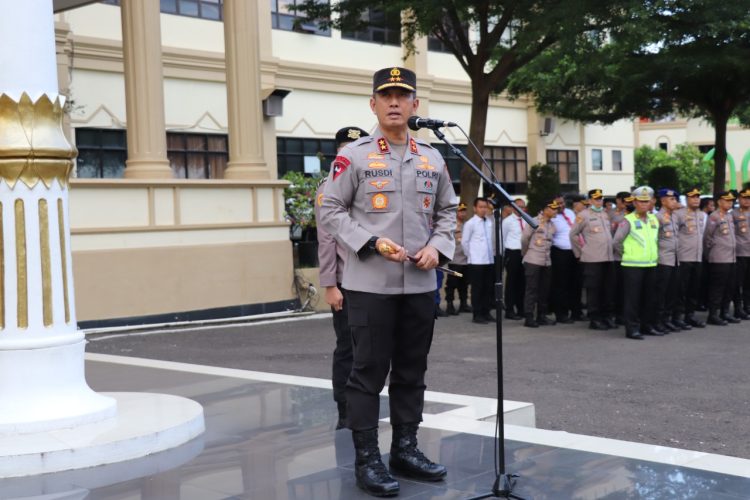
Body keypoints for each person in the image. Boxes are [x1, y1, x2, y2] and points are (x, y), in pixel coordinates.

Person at [319, 66, 455, 496]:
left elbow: (449, 211)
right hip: (369, 286)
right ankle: (367, 458)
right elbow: (330, 211)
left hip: (419, 284)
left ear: (416, 104)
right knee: (367, 372)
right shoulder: (354, 156)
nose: (394, 102)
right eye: (386, 95)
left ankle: (405, 448)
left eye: (403, 95)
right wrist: (371, 242)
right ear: (373, 104)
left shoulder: (433, 157)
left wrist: (438, 246)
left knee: (412, 370)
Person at [314, 126, 369, 430]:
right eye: (346, 148)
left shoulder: (367, 183)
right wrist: (330, 285)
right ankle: (345, 411)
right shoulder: (328, 188)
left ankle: (362, 406)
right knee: (347, 348)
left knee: (369, 348)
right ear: (338, 153)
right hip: (345, 283)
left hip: (370, 280)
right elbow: (326, 240)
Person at [613, 186, 660, 340]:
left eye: (647, 201)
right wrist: (628, 254)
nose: (644, 204)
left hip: (651, 264)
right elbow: (617, 242)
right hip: (632, 266)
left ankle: (647, 326)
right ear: (634, 202)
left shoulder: (654, 219)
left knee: (650, 298)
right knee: (632, 300)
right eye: (640, 201)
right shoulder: (628, 220)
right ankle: (632, 329)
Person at [570, 188, 615, 330]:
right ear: (589, 201)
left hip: (608, 257)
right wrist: (580, 252)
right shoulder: (583, 215)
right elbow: (573, 235)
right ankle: (594, 318)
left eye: (600, 198)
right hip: (592, 258)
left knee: (607, 289)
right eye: (596, 199)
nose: (599, 201)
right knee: (594, 290)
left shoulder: (605, 214)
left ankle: (606, 316)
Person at [521, 199, 559, 327]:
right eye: (553, 209)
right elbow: (525, 239)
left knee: (544, 290)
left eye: (556, 208)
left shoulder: (552, 225)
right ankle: (529, 317)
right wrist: (526, 254)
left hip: (547, 261)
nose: (555, 211)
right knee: (531, 290)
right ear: (545, 209)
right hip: (533, 260)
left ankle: (541, 316)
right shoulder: (534, 221)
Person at [703, 191, 738, 326]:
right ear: (719, 202)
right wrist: (710, 254)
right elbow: (708, 238)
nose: (730, 203)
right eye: (727, 201)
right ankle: (713, 314)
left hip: (731, 257)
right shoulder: (714, 216)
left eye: (731, 201)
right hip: (719, 257)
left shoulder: (729, 216)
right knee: (717, 287)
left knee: (729, 286)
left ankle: (725, 312)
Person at [674, 187, 706, 328]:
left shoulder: (701, 215)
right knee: (681, 289)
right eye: (693, 197)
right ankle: (677, 317)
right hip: (684, 257)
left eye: (698, 197)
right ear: (686, 199)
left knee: (694, 289)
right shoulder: (679, 214)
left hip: (697, 257)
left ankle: (690, 316)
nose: (696, 199)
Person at [462, 197, 496, 324]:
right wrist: (471, 256)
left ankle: (486, 312)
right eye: (480, 207)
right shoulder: (470, 223)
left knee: (488, 288)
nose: (483, 209)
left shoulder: (489, 222)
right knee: (477, 289)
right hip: (476, 261)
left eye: (485, 207)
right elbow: (465, 242)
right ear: (475, 208)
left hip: (489, 260)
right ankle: (477, 314)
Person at [653, 188, 683, 332]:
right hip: (663, 259)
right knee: (661, 292)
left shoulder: (675, 217)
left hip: (675, 259)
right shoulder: (657, 217)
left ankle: (667, 319)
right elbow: (653, 239)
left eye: (675, 199)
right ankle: (657, 321)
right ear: (663, 201)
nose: (675, 202)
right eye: (671, 199)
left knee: (672, 291)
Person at [549, 194, 579, 323]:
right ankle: (561, 313)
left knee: (575, 283)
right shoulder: (552, 216)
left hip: (574, 252)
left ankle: (576, 312)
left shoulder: (570, 213)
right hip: (559, 253)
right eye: (558, 203)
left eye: (562, 203)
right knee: (561, 284)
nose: (561, 206)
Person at [501, 198, 527, 320]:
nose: (521, 209)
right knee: (511, 283)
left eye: (523, 206)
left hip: (524, 253)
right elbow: (503, 237)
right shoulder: (507, 221)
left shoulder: (526, 219)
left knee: (522, 283)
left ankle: (521, 308)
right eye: (518, 206)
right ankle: (509, 309)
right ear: (513, 207)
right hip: (512, 252)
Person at [610, 191, 632, 324]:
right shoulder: (616, 216)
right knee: (619, 288)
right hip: (620, 257)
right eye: (625, 201)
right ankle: (619, 315)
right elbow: (614, 238)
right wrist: (622, 253)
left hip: (633, 258)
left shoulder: (633, 216)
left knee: (629, 289)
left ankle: (627, 313)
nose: (627, 204)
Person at [445, 203, 470, 315]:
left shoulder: (466, 225)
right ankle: (450, 305)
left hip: (465, 260)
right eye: (460, 211)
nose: (463, 213)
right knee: (452, 284)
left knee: (464, 284)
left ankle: (463, 304)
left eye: (464, 211)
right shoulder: (451, 225)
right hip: (455, 261)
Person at [732, 187, 750, 319]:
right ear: (739, 199)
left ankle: (747, 307)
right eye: (744, 198)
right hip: (740, 252)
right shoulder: (734, 214)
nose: (747, 201)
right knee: (738, 282)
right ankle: (738, 308)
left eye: (749, 198)